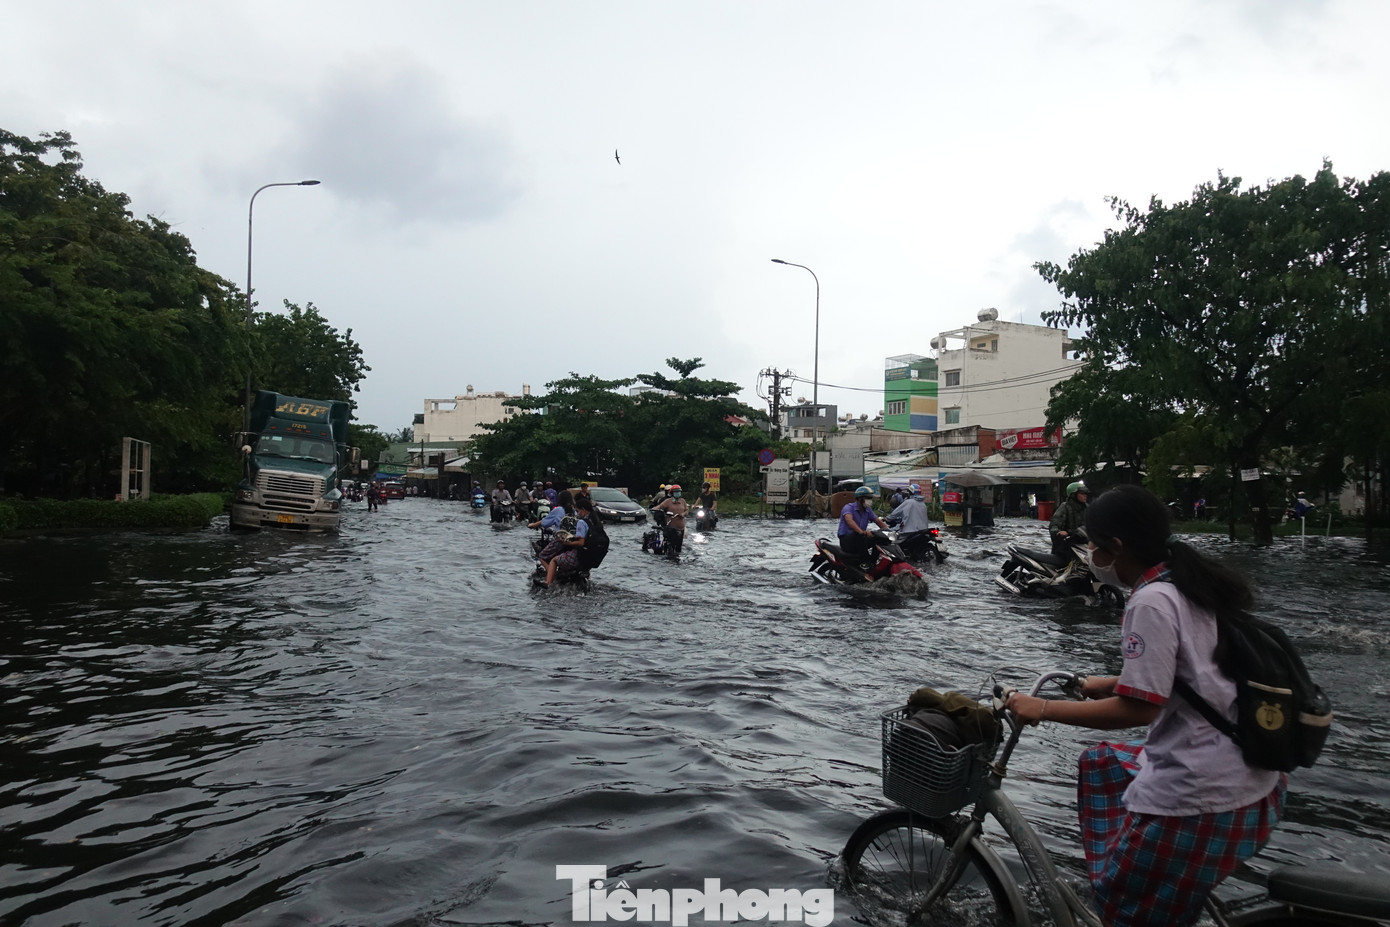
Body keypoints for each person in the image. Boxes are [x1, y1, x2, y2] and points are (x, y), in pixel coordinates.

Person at [1005, 485, 1284, 927]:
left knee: (1123, 909)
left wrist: (1039, 708)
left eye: (1095, 546)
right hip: (1254, 776)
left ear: (1117, 547)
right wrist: (1109, 683)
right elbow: (1195, 668)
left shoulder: (1151, 600)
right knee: (1102, 764)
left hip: (1207, 792)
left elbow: (1137, 711)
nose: (1092, 555)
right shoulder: (1187, 581)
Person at [545, 494, 593, 586]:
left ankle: (548, 583)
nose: (577, 513)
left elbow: (581, 542)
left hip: (577, 552)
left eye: (578, 511)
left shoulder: (581, 522)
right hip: (590, 556)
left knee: (550, 559)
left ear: (583, 509)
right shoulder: (595, 522)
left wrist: (567, 543)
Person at [838, 485, 889, 564]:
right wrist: (862, 532)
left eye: (870, 498)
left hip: (861, 540)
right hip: (847, 541)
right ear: (859, 499)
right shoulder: (848, 507)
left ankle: (873, 562)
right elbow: (849, 521)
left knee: (879, 538)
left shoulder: (868, 510)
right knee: (859, 535)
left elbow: (878, 521)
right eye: (867, 498)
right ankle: (865, 562)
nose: (870, 500)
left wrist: (889, 532)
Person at [1049, 480, 1090, 560]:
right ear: (1073, 495)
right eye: (1082, 493)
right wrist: (1058, 532)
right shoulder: (1065, 507)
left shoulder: (1088, 508)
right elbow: (1054, 525)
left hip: (1083, 544)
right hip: (1066, 546)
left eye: (1086, 494)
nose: (1085, 496)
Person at [653, 483, 690, 556]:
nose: (678, 493)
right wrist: (654, 509)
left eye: (679, 492)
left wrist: (683, 514)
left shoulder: (683, 501)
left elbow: (687, 510)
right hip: (671, 527)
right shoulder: (668, 501)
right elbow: (660, 506)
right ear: (672, 493)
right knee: (671, 545)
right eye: (676, 492)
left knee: (678, 547)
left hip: (681, 528)